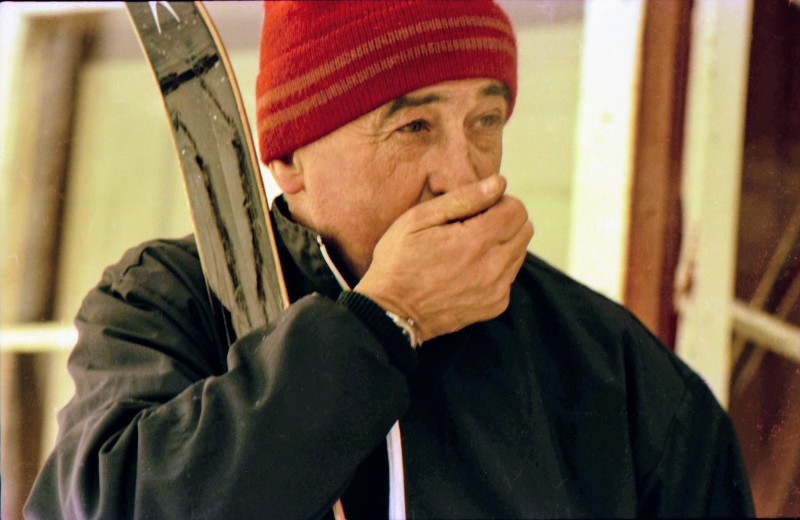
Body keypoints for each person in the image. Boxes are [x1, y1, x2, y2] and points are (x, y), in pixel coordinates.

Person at [25, 1, 754, 519]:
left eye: (485, 121)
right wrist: (383, 323)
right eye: (414, 126)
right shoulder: (167, 303)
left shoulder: (618, 373)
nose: (464, 175)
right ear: (290, 157)